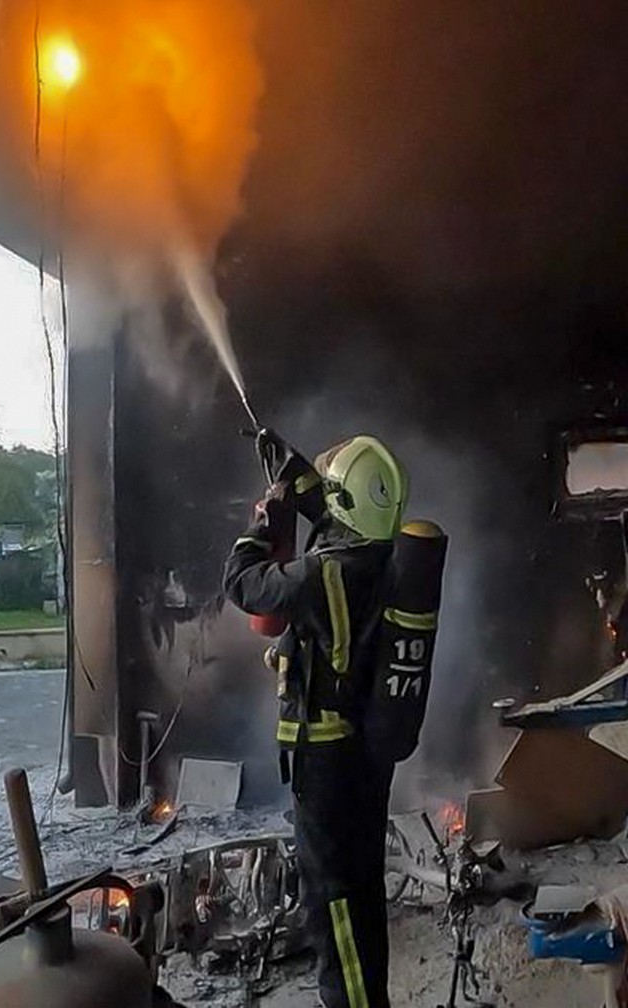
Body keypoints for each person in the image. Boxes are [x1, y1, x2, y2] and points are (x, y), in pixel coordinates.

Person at [223, 432, 446, 1008]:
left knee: (334, 900)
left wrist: (263, 522)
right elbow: (334, 512)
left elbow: (243, 584)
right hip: (363, 757)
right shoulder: (381, 559)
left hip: (325, 765)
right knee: (360, 890)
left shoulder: (318, 576)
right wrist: (296, 474)